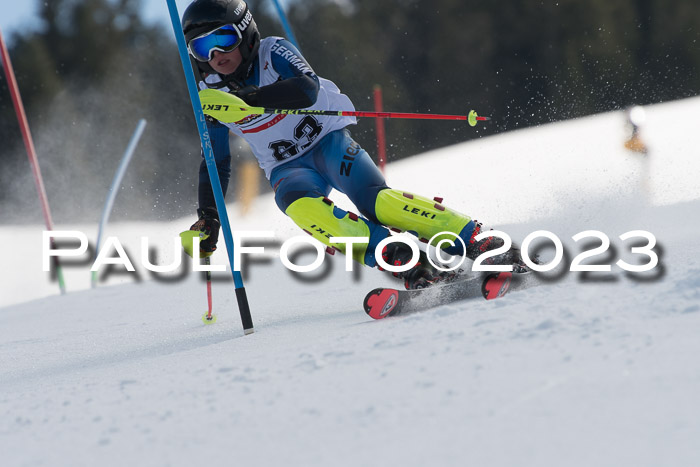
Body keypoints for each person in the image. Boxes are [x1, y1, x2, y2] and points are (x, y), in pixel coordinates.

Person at [183, 0, 520, 289]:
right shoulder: (211, 98)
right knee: (302, 209)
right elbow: (215, 162)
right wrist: (208, 218)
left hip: (328, 142)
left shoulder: (273, 51)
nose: (216, 55)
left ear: (245, 33)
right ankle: (402, 259)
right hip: (288, 168)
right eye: (201, 48)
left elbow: (306, 88)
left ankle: (475, 238)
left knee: (378, 203)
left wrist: (251, 98)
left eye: (223, 39)